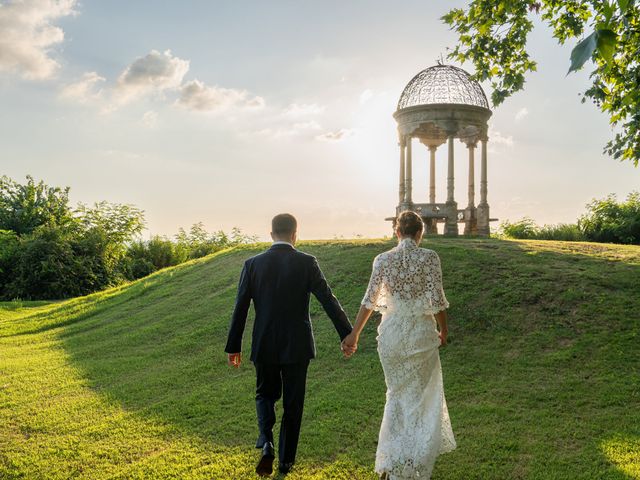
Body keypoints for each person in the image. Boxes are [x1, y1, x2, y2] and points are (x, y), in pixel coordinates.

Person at [225, 213, 353, 476]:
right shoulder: (307, 263)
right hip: (297, 345)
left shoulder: (252, 264)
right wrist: (347, 334)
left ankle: (267, 441)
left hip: (264, 342)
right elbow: (328, 299)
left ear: (271, 234)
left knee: (265, 394)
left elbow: (240, 307)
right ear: (296, 235)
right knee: (293, 404)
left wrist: (234, 346)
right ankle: (285, 461)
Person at [341, 211, 456, 480]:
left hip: (391, 337)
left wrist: (354, 334)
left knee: (395, 395)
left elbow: (369, 300)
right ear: (420, 234)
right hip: (420, 336)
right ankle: (412, 462)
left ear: (396, 232)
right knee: (419, 399)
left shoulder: (382, 260)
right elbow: (437, 300)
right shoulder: (429, 258)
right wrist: (444, 329)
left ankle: (390, 461)